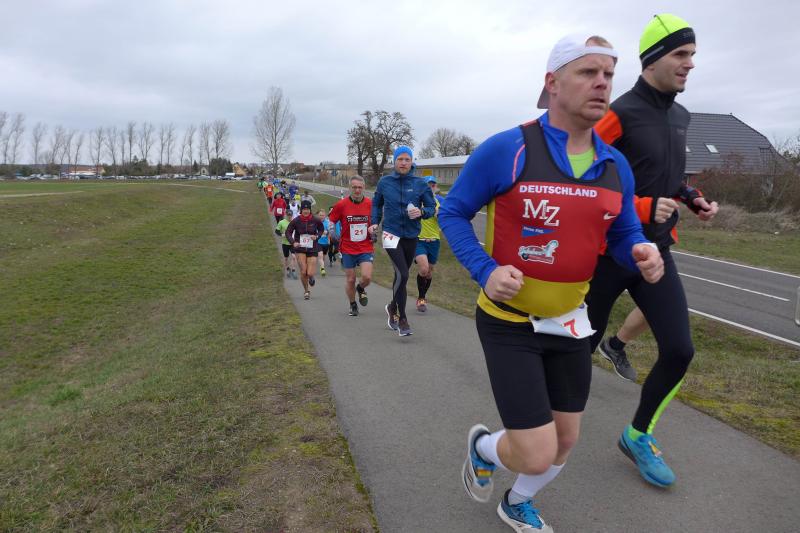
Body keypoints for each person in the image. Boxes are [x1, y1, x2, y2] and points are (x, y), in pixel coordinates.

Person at [439, 34, 664, 532]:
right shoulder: (508, 148)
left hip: (569, 323)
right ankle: (483, 447)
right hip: (509, 322)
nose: (602, 83)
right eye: (588, 72)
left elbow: (623, 232)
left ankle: (515, 502)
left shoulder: (615, 165)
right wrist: (486, 271)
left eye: (609, 74)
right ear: (552, 82)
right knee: (536, 452)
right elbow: (452, 212)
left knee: (564, 441)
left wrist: (640, 251)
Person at [585, 14, 719, 488]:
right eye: (681, 54)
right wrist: (642, 206)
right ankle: (535, 427)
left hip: (655, 255)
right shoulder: (618, 114)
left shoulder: (681, 117)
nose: (690, 64)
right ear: (653, 59)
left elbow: (667, 177)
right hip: (606, 256)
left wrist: (691, 198)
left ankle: (638, 435)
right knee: (574, 352)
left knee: (680, 350)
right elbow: (583, 179)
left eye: (692, 55)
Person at [369, 146, 435, 336]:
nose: (404, 163)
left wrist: (421, 212)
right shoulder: (385, 182)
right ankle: (403, 319)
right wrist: (375, 222)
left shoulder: (420, 183)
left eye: (407, 159)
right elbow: (376, 204)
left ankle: (392, 307)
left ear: (411, 162)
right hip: (391, 234)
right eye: (400, 159)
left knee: (400, 276)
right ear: (394, 161)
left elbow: (431, 207)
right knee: (403, 274)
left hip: (411, 235)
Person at [329, 176, 374, 317]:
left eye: (360, 187)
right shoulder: (341, 204)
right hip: (347, 247)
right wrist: (332, 232)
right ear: (350, 188)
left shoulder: (370, 204)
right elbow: (331, 220)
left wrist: (374, 229)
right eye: (354, 187)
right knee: (350, 279)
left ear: (364, 188)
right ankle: (353, 304)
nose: (357, 190)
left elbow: (376, 220)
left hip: (365, 246)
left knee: (367, 277)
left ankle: (360, 288)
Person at [414, 175, 446, 313]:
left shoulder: (440, 201)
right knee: (424, 268)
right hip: (419, 240)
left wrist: (441, 214)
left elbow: (447, 218)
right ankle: (421, 298)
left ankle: (422, 296)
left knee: (428, 273)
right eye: (428, 185)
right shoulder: (417, 200)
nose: (431, 187)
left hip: (434, 240)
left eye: (433, 185)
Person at [286, 200, 325, 300]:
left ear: (310, 210)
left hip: (312, 248)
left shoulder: (315, 220)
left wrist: (317, 236)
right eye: (304, 209)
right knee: (303, 272)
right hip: (300, 248)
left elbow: (321, 229)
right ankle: (306, 291)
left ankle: (311, 277)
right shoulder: (296, 220)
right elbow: (288, 232)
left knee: (310, 273)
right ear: (301, 210)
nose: (306, 211)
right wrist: (293, 242)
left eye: (308, 209)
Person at [274, 212, 297, 279]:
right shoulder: (281, 222)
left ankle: (293, 270)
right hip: (285, 243)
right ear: (286, 215)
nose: (289, 217)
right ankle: (287, 269)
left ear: (292, 215)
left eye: (290, 215)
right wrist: (282, 235)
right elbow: (277, 231)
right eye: (288, 215)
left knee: (294, 257)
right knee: (286, 257)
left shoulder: (295, 222)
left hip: (293, 243)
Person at [316, 209, 329, 277]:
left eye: (323, 215)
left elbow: (331, 231)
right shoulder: (316, 222)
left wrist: (327, 232)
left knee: (323, 256)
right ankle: (322, 269)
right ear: (318, 215)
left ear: (325, 216)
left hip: (326, 242)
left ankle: (322, 265)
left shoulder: (328, 222)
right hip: (318, 242)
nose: (321, 216)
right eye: (320, 215)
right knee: (320, 256)